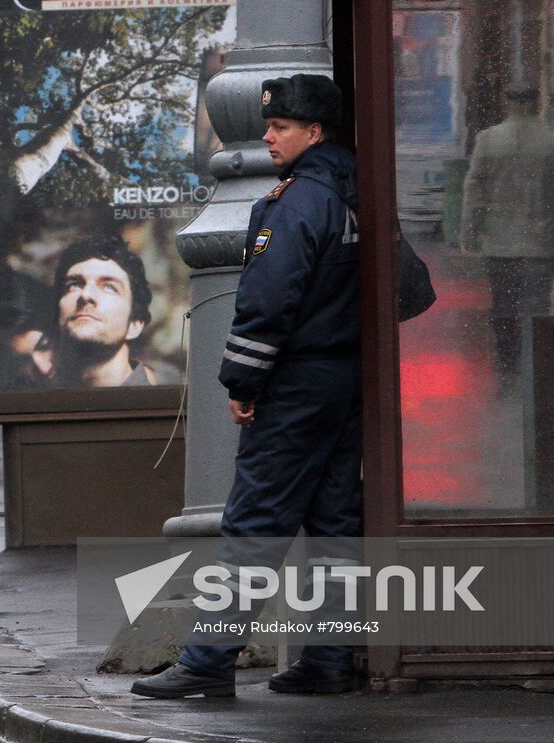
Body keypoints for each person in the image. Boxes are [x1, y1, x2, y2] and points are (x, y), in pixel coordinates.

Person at [132, 72, 362, 700]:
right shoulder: (360, 193)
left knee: (254, 524)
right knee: (336, 524)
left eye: (280, 126)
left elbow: (266, 301)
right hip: (347, 381)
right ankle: (330, 657)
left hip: (294, 383)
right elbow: (411, 289)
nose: (267, 136)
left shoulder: (296, 203)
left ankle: (208, 661)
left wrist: (242, 381)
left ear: (313, 132)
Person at [460, 84, 554, 387]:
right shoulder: (553, 143)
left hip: (499, 240)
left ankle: (508, 360)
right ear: (537, 103)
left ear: (507, 102)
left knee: (503, 303)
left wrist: (469, 231)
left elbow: (475, 191)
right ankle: (534, 360)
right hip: (541, 239)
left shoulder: (487, 141)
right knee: (537, 304)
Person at [51, 235, 156, 388]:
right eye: (74, 285)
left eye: (109, 287)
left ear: (134, 325)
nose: (85, 295)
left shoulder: (160, 406)